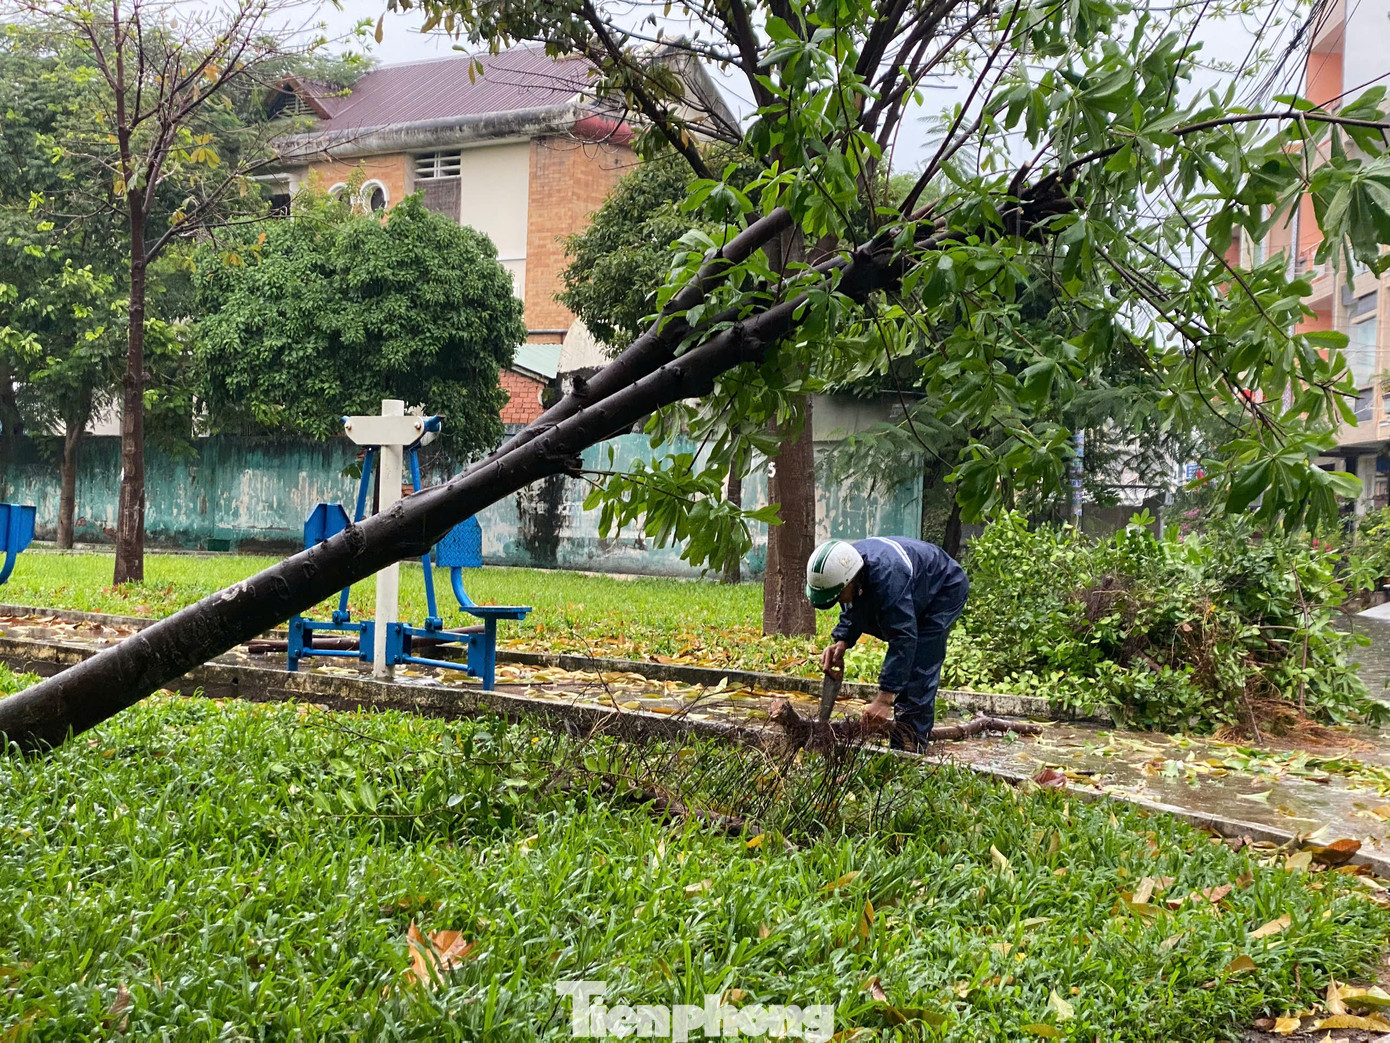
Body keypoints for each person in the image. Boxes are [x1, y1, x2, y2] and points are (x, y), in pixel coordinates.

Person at [806, 536, 969, 750]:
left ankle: (909, 747)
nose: (838, 603)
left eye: (837, 597)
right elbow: (855, 604)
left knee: (918, 668)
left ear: (852, 580)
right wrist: (842, 640)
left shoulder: (888, 579)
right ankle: (905, 737)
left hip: (943, 588)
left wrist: (883, 700)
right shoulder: (847, 567)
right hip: (909, 585)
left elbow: (903, 639)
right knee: (903, 650)